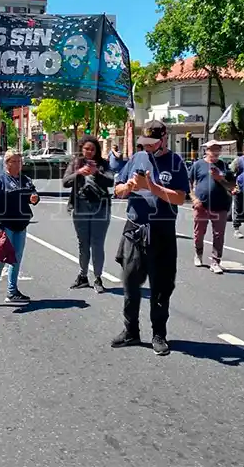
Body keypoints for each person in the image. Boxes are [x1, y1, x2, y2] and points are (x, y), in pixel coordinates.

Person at [111, 120, 189, 356]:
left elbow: (180, 198)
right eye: (144, 143)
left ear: (164, 139)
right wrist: (128, 187)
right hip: (135, 229)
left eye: (152, 143)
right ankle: (131, 331)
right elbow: (117, 189)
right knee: (130, 284)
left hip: (162, 231)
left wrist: (152, 187)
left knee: (161, 286)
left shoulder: (175, 162)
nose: (147, 147)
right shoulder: (137, 158)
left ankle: (159, 334)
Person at [0, 149, 39, 309]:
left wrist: (34, 198)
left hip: (21, 225)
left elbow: (33, 194)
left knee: (16, 259)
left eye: (19, 161)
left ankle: (12, 291)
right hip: (5, 225)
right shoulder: (0, 181)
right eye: (14, 161)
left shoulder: (25, 180)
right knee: (0, 260)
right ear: (6, 163)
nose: (17, 164)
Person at [63, 136, 114, 293]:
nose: (89, 152)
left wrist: (96, 173)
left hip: (100, 208)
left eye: (92, 149)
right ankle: (83, 276)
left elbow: (110, 181)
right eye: (86, 149)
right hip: (80, 207)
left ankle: (98, 277)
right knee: (83, 244)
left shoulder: (103, 164)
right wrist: (79, 173)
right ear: (81, 149)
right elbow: (65, 182)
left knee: (97, 243)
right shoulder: (75, 163)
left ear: (97, 150)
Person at [189, 140, 236, 274]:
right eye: (212, 149)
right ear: (207, 150)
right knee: (199, 233)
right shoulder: (198, 165)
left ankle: (215, 262)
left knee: (218, 235)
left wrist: (220, 178)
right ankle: (198, 254)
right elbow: (188, 182)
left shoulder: (224, 166)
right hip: (201, 206)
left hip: (220, 205)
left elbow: (231, 186)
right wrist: (194, 199)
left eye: (217, 149)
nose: (215, 151)